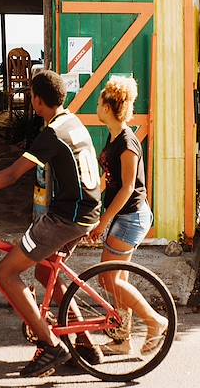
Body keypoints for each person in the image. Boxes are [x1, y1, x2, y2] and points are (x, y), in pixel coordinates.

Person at [0, 70, 102, 378]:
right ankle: (84, 343)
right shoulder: (73, 122)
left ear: (37, 101)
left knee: (7, 271)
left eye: (31, 97)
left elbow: (11, 175)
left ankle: (51, 345)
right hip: (86, 213)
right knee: (43, 269)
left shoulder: (52, 134)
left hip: (66, 218)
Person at [90, 76, 167, 355]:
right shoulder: (114, 138)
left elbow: (127, 187)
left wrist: (103, 221)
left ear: (109, 107)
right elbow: (107, 180)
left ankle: (155, 321)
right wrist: (90, 197)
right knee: (113, 279)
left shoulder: (128, 142)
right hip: (125, 217)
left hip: (131, 217)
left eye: (100, 102)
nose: (97, 106)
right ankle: (123, 339)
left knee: (110, 279)